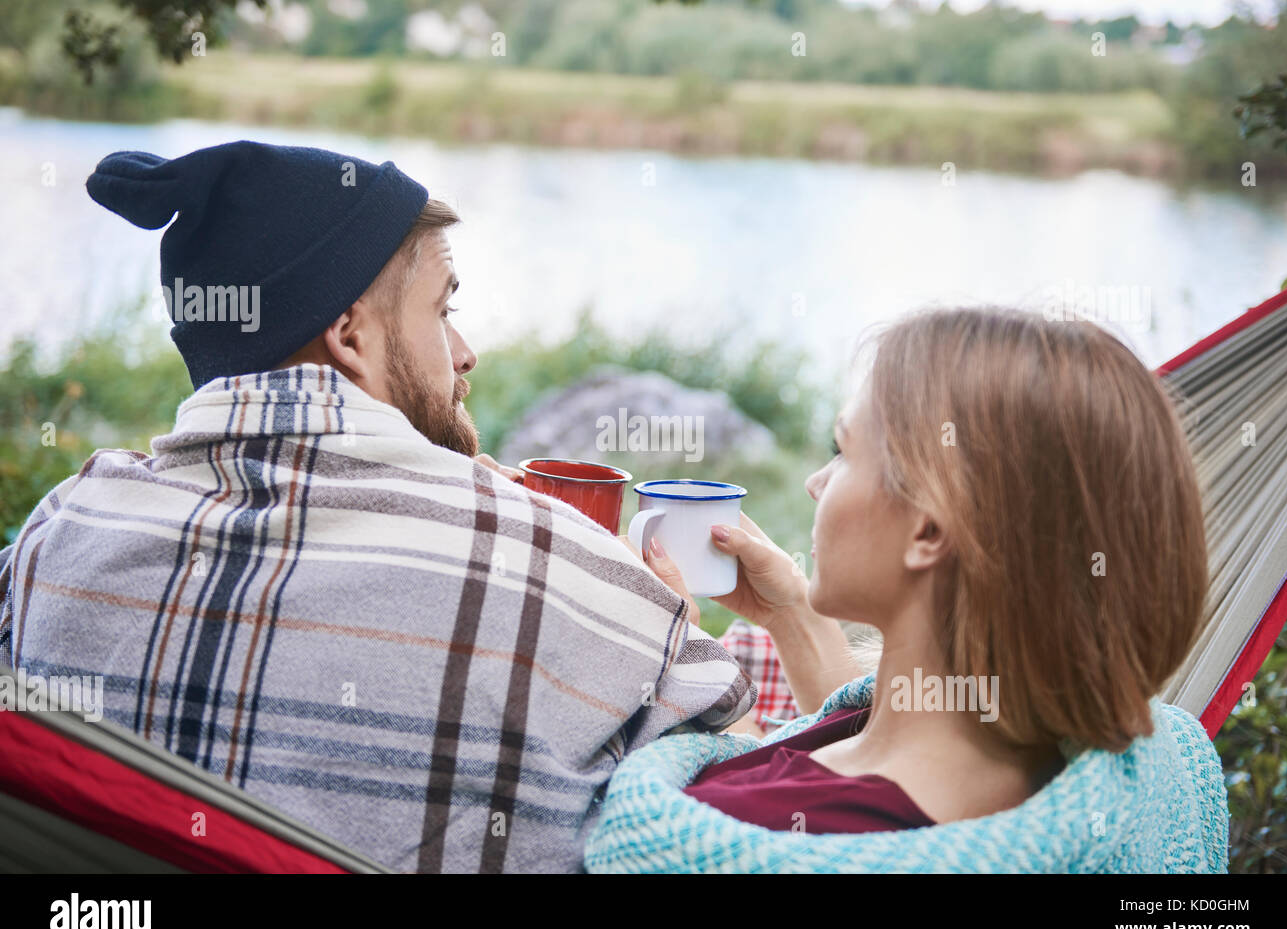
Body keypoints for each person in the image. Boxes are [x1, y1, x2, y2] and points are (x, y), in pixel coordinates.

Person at [0, 140, 755, 874]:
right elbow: (745, 807)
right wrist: (664, 611)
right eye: (441, 308)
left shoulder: (57, 533)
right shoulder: (550, 563)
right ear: (351, 335)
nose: (465, 353)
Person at [587, 306, 1228, 872]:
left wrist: (670, 663)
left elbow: (800, 788)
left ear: (927, 528)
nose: (815, 482)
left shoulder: (713, 838)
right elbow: (862, 751)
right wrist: (792, 614)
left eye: (842, 451)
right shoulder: (1145, 761)